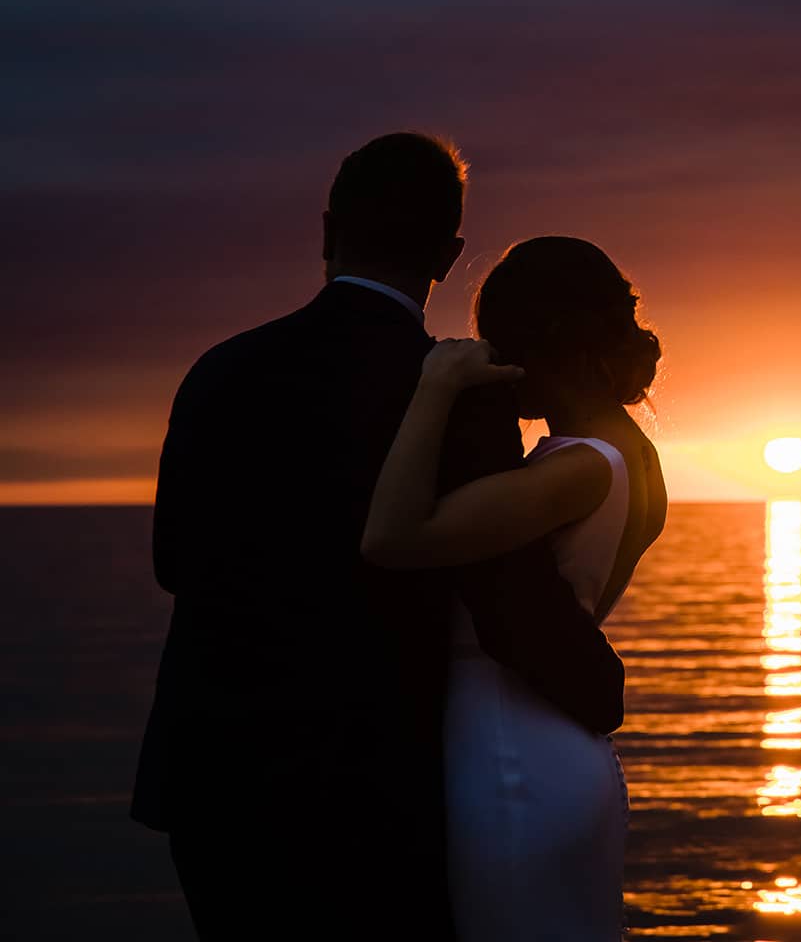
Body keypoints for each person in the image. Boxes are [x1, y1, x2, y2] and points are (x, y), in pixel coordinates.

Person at [130, 134, 626, 941]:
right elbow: (502, 599)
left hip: (214, 776)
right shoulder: (462, 392)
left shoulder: (221, 369)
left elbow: (172, 562)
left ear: (328, 230)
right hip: (372, 784)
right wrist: (597, 688)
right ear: (447, 254)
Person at [361, 235, 667, 942]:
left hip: (509, 755)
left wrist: (437, 387)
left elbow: (393, 537)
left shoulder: (579, 467)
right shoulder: (634, 455)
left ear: (540, 339)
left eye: (496, 339)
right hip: (564, 751)